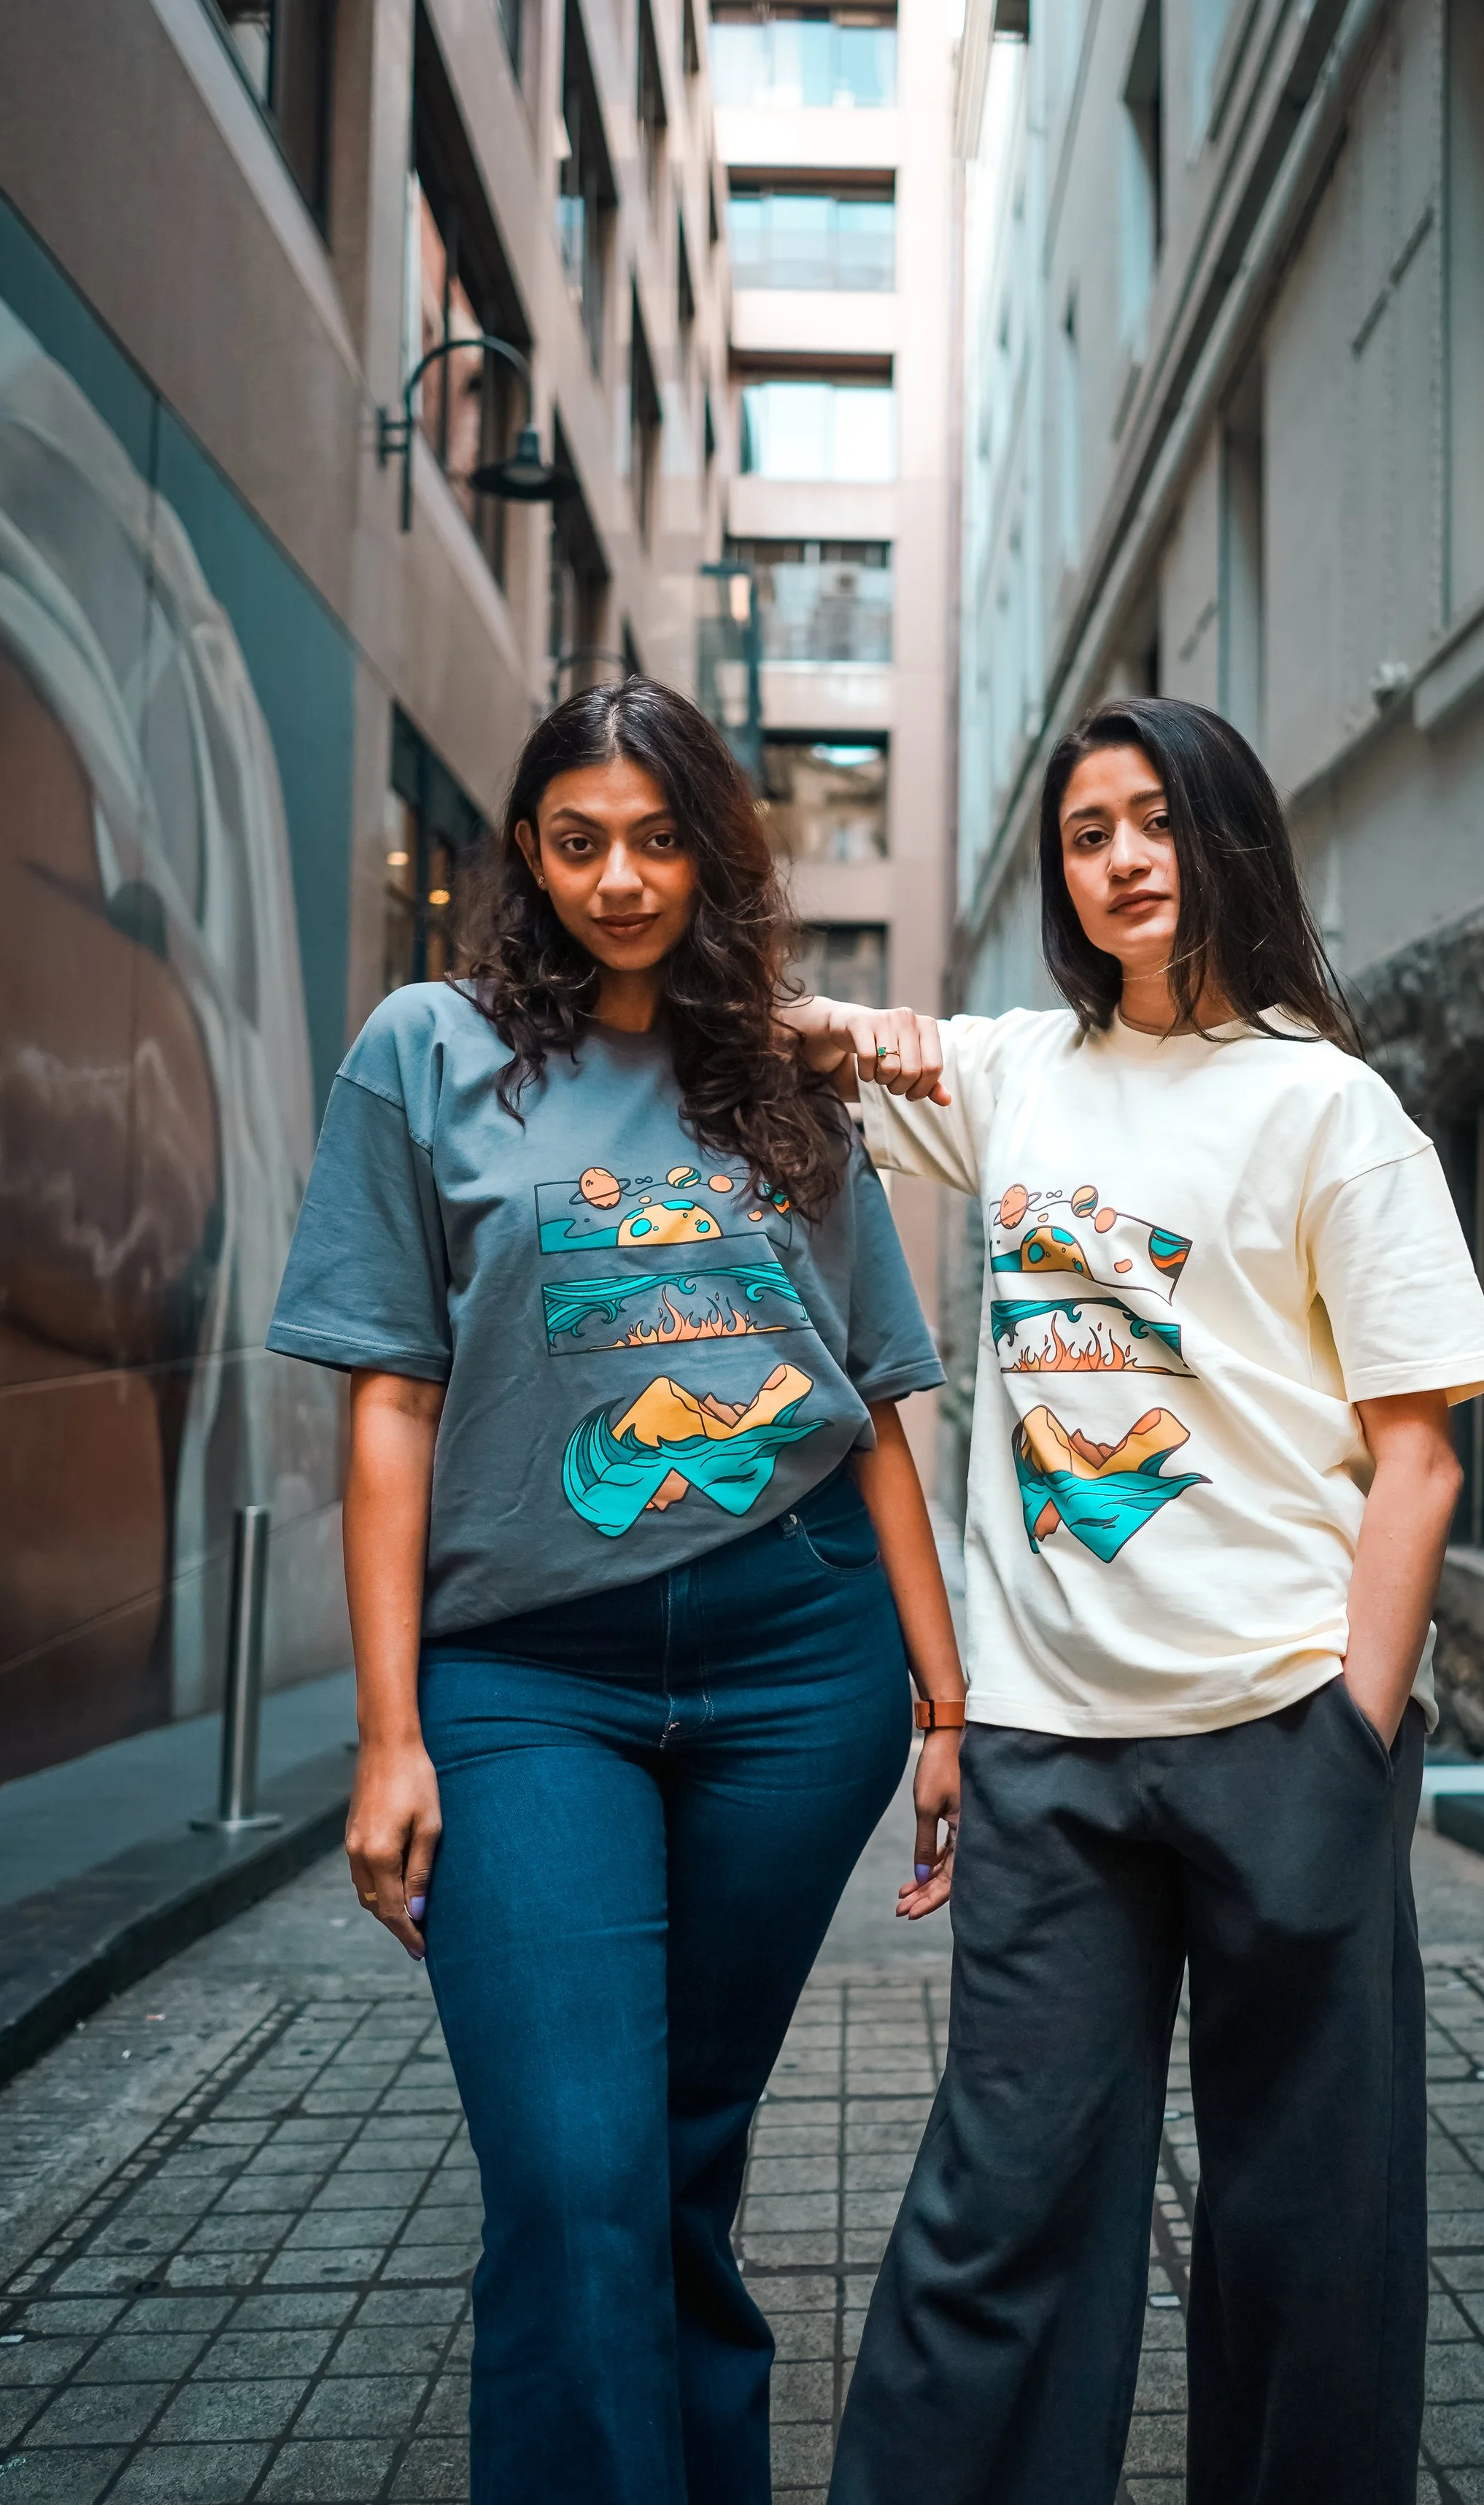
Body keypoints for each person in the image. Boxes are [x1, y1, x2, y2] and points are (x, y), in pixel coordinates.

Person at [787, 698, 1484, 2505]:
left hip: (1281, 1733)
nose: (1118, 856)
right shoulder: (1020, 1071)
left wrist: (1349, 1733)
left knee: (1305, 2225)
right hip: (1049, 1756)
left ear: (1223, 839)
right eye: (1086, 827)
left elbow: (1414, 1453)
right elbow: (822, 1044)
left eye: (1152, 820)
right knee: (999, 2204)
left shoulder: (1327, 1107)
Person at [266, 679, 965, 2505]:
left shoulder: (782, 1080)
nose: (621, 878)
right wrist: (387, 1736)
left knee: (673, 2163)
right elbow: (388, 1410)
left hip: (797, 1661)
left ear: (712, 855)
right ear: (525, 849)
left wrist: (944, 1702)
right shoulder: (425, 1049)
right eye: (579, 841)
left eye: (658, 841)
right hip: (520, 1683)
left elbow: (874, 1399)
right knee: (572, 2169)